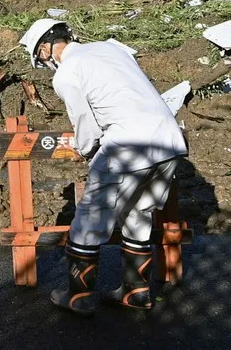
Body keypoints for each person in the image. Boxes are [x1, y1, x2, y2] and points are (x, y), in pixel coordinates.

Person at [19, 19, 188, 315]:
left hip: (126, 145)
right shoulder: (112, 49)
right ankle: (136, 292)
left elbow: (85, 123)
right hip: (168, 140)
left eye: (41, 56)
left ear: (45, 48)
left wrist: (87, 151)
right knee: (138, 214)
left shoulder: (67, 73)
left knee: (88, 222)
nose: (44, 62)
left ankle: (78, 296)